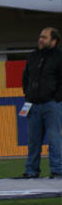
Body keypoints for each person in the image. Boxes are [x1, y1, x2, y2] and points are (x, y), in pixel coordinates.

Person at [21, 28, 62, 179]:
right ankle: (31, 171)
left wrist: (56, 97)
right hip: (33, 104)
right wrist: (28, 94)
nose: (40, 40)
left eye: (44, 37)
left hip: (52, 104)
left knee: (54, 139)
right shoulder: (33, 56)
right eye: (40, 37)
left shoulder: (59, 57)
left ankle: (57, 170)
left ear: (54, 40)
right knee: (33, 141)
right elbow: (26, 77)